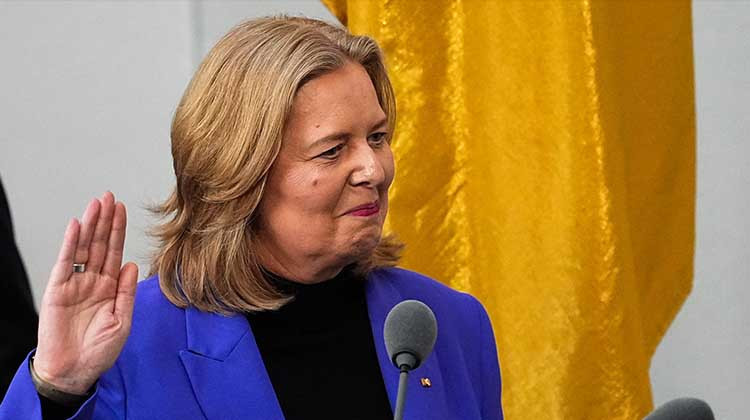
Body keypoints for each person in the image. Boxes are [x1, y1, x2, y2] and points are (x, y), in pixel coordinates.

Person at [0, 16, 503, 420]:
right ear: (242, 174)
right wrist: (57, 390)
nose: (373, 169)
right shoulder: (127, 341)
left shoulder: (451, 323)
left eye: (377, 137)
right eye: (332, 150)